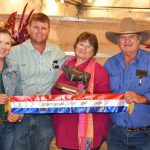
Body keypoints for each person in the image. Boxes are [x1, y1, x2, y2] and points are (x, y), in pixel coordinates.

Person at [8, 13, 66, 150]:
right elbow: (6, 83)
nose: (40, 31)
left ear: (49, 30)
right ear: (28, 28)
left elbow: (64, 81)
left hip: (46, 116)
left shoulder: (58, 53)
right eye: (36, 27)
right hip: (20, 114)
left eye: (44, 28)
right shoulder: (14, 52)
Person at [51, 32, 111, 150]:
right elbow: (54, 91)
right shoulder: (66, 65)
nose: (84, 48)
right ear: (75, 46)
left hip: (88, 129)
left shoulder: (99, 71)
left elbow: (104, 101)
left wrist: (83, 96)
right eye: (81, 44)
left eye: (89, 46)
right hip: (65, 126)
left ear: (94, 51)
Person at [104, 17, 150, 150]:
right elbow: (102, 93)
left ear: (139, 39)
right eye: (123, 37)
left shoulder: (149, 61)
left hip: (144, 135)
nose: (127, 41)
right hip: (115, 134)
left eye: (131, 37)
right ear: (118, 41)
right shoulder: (110, 64)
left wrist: (143, 98)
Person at [0, 27, 22, 150]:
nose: (3, 46)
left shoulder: (13, 66)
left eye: (7, 43)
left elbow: (18, 94)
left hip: (7, 125)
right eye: (0, 42)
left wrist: (19, 115)